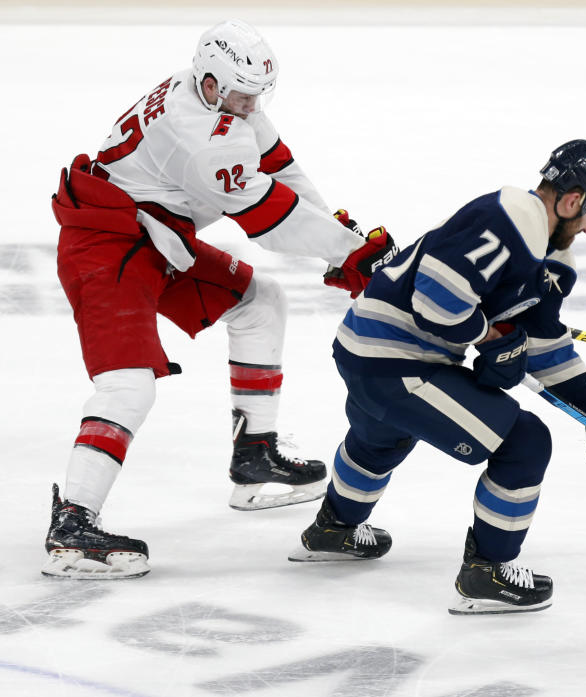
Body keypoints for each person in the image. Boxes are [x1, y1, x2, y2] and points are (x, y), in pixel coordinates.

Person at [43, 19, 397, 579]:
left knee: (261, 302)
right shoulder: (200, 136)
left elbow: (280, 167)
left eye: (257, 95)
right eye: (239, 95)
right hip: (106, 246)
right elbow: (269, 219)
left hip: (153, 237)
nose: (250, 105)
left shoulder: (222, 96)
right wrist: (350, 253)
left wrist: (341, 240)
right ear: (210, 83)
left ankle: (254, 459)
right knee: (127, 384)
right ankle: (72, 525)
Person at [287, 139, 586, 614]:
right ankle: (487, 572)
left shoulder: (550, 258)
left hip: (367, 352)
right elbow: (436, 302)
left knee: (382, 436)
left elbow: (542, 344)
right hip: (398, 360)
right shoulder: (512, 217)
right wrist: (492, 335)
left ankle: (333, 529)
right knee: (524, 441)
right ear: (572, 198)